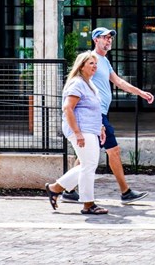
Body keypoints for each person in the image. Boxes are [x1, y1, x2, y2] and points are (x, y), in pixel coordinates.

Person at [61, 26, 154, 205]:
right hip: (96, 115)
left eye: (110, 37)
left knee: (84, 157)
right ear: (96, 40)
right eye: (105, 37)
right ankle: (125, 192)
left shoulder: (104, 61)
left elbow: (118, 81)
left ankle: (67, 190)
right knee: (113, 151)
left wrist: (140, 93)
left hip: (100, 114)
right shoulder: (91, 60)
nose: (109, 40)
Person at [45, 51, 109, 215]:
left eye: (96, 63)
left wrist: (100, 127)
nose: (95, 66)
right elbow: (68, 108)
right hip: (81, 130)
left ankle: (55, 188)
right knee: (89, 166)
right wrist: (77, 133)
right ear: (81, 66)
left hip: (90, 129)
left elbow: (94, 110)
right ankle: (88, 205)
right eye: (91, 63)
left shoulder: (90, 84)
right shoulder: (77, 83)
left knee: (88, 165)